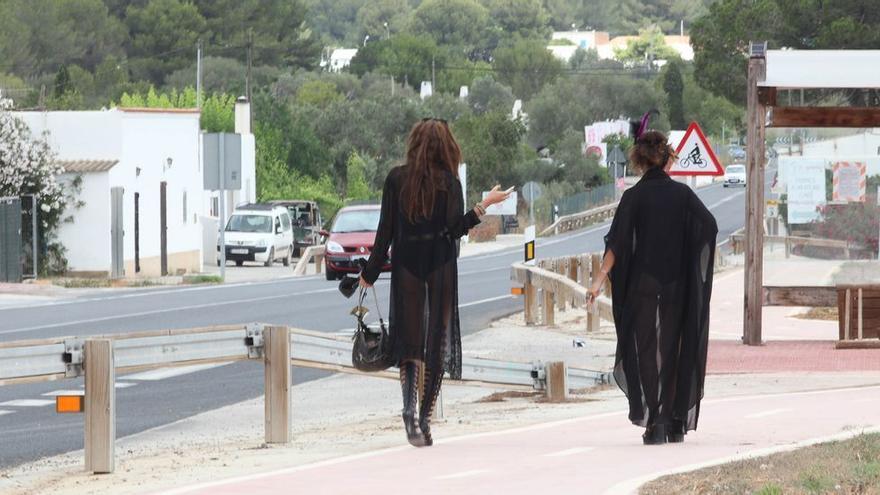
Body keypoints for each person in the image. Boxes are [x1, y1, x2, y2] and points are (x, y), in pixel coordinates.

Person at [359, 118, 512, 447]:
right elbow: (456, 228)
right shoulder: (449, 182)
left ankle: (408, 411)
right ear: (446, 146)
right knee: (436, 343)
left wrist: (369, 274)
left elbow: (384, 232)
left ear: (414, 143)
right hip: (440, 265)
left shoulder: (396, 179)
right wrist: (485, 203)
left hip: (406, 266)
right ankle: (426, 418)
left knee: (409, 341)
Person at [588, 130, 718, 445]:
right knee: (672, 347)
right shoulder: (683, 195)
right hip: (676, 282)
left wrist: (598, 280)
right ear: (668, 158)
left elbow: (617, 243)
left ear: (639, 161)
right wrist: (690, 257)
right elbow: (710, 226)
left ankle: (655, 422)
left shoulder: (633, 197)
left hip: (643, 282)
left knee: (645, 348)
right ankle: (675, 421)